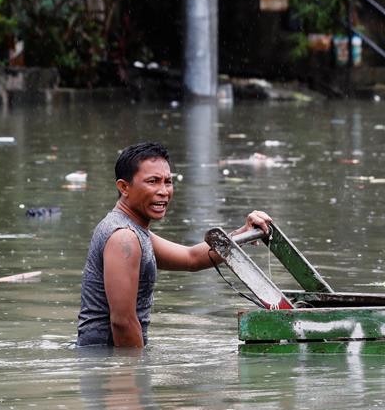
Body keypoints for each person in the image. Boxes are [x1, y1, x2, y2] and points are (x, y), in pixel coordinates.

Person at [77, 142, 271, 348]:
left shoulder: (134, 232)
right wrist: (135, 373)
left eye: (167, 182)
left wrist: (244, 233)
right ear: (124, 187)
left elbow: (191, 258)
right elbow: (122, 322)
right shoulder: (124, 237)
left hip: (109, 362)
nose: (163, 191)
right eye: (152, 181)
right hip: (106, 367)